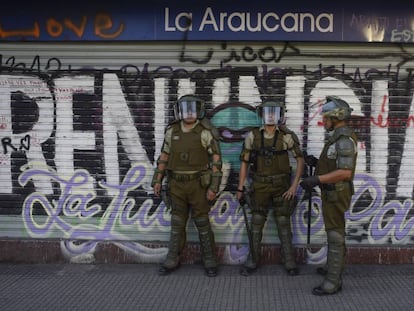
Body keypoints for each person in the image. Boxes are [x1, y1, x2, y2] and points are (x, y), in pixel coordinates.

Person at [152, 94, 223, 277]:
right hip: (176, 185)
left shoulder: (205, 131)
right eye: (186, 108)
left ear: (199, 110)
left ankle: (210, 260)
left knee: (202, 223)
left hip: (198, 185)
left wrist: (213, 188)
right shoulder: (172, 131)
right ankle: (172, 259)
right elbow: (164, 156)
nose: (189, 113)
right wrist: (157, 180)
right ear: (180, 110)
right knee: (177, 224)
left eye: (193, 108)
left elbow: (216, 161)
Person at [236, 99, 304, 276]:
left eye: (274, 112)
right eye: (267, 112)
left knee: (283, 222)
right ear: (262, 114)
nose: (271, 116)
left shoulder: (287, 136)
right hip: (259, 185)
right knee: (256, 222)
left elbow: (300, 160)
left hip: (282, 186)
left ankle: (289, 261)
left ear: (280, 115)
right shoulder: (253, 136)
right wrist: (240, 187)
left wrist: (294, 186)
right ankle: (253, 260)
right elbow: (244, 162)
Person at [300, 96, 358, 295]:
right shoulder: (336, 137)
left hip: (336, 193)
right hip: (331, 192)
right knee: (334, 232)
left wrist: (316, 180)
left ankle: (333, 281)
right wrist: (316, 163)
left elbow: (345, 172)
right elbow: (334, 164)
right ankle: (334, 268)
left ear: (337, 117)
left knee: (335, 234)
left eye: (326, 118)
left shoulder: (344, 140)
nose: (323, 121)